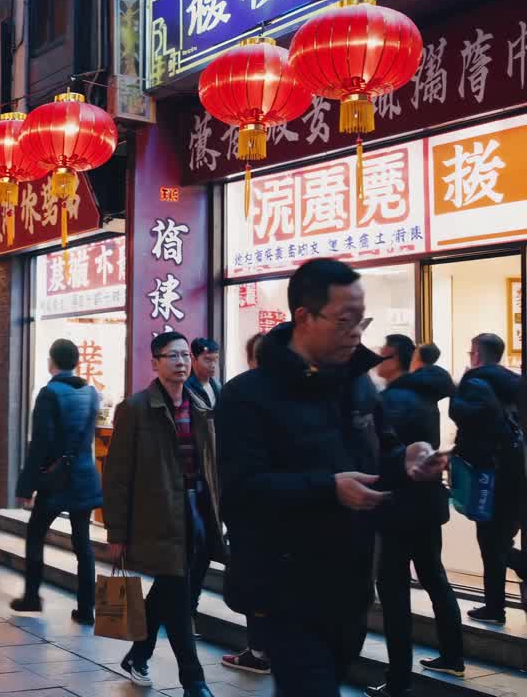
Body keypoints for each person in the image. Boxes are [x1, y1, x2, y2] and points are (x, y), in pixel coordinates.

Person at [215, 259, 448, 696]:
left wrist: (409, 463)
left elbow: (384, 453)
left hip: (350, 585)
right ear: (304, 316)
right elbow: (240, 493)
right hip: (284, 588)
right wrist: (328, 488)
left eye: (362, 320)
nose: (358, 333)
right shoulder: (248, 395)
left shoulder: (358, 385)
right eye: (345, 321)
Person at [104, 331, 219, 697]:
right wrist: (116, 533)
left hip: (194, 511)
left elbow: (210, 467)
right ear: (155, 362)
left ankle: (138, 654)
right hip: (155, 516)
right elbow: (118, 475)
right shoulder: (135, 409)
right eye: (172, 356)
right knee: (180, 594)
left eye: (186, 355)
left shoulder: (199, 406)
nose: (181, 362)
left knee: (170, 589)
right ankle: (194, 680)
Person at [365, 334, 463, 697]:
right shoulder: (425, 396)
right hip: (427, 505)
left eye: (382, 355)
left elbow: (384, 456)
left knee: (393, 595)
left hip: (396, 507)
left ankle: (398, 680)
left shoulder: (391, 400)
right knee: (435, 578)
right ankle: (453, 654)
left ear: (397, 359)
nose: (377, 361)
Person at [12, 338, 103, 625]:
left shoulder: (49, 393)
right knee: (82, 544)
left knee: (36, 534)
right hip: (85, 477)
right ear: (76, 362)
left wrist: (27, 487)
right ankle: (87, 609)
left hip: (56, 480)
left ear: (52, 361)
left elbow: (40, 444)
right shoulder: (91, 393)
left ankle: (31, 597)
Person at [450, 332, 525, 625]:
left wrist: (457, 395)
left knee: (490, 542)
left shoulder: (475, 381)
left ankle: (495, 606)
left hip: (487, 476)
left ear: (477, 355)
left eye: (471, 353)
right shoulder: (514, 382)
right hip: (514, 470)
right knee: (501, 537)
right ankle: (494, 607)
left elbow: (468, 416)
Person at [220, 330, 274, 675]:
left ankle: (258, 649)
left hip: (251, 508)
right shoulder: (297, 391)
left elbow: (227, 456)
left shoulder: (238, 391)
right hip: (288, 508)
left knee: (253, 582)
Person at [186, 337, 222, 408]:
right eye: (208, 360)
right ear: (193, 359)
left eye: (216, 359)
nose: (213, 365)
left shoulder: (217, 385)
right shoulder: (186, 388)